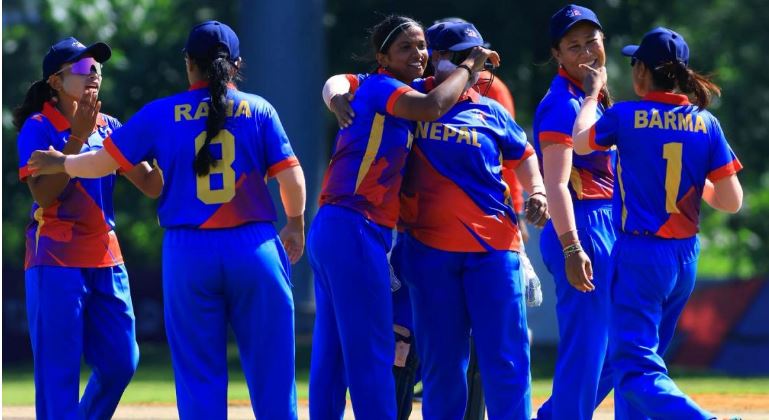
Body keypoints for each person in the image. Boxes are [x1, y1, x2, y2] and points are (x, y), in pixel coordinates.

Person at [26, 21, 306, 419]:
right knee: (273, 370)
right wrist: (295, 223)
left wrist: (63, 162)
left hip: (189, 251)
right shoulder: (259, 109)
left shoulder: (160, 113)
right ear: (237, 64)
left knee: (198, 374)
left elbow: (102, 162)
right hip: (254, 245)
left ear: (189, 63)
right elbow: (291, 177)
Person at [308, 15, 498, 419]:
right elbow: (431, 107)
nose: (418, 53)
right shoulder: (383, 86)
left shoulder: (391, 85)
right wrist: (469, 66)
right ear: (383, 58)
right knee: (373, 351)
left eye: (422, 45)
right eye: (406, 47)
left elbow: (342, 83)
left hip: (334, 226)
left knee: (333, 353)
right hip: (356, 225)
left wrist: (336, 93)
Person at [572, 27, 743, 419]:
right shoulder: (705, 122)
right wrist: (691, 186)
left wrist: (591, 95)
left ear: (642, 72)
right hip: (684, 258)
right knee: (645, 363)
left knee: (635, 371)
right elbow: (732, 201)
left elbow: (580, 142)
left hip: (640, 255)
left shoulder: (625, 115)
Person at [393, 21, 547, 419]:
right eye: (465, 57)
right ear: (438, 57)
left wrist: (538, 191)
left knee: (507, 358)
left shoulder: (490, 109)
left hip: (493, 251)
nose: (474, 66)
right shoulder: (410, 99)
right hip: (428, 250)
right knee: (443, 362)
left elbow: (524, 154)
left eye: (477, 57)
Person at [13, 36, 162, 419]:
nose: (93, 72)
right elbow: (44, 195)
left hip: (106, 258)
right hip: (55, 258)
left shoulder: (111, 125)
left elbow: (150, 185)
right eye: (82, 67)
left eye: (97, 67)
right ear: (56, 82)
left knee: (121, 361)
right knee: (58, 374)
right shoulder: (38, 126)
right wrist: (77, 138)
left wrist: (168, 147)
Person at [532, 5, 617, 419]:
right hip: (582, 225)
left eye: (591, 42)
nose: (586, 53)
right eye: (573, 46)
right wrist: (572, 247)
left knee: (621, 348)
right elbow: (555, 184)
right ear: (557, 54)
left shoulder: (591, 99)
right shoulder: (563, 104)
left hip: (606, 223)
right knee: (588, 349)